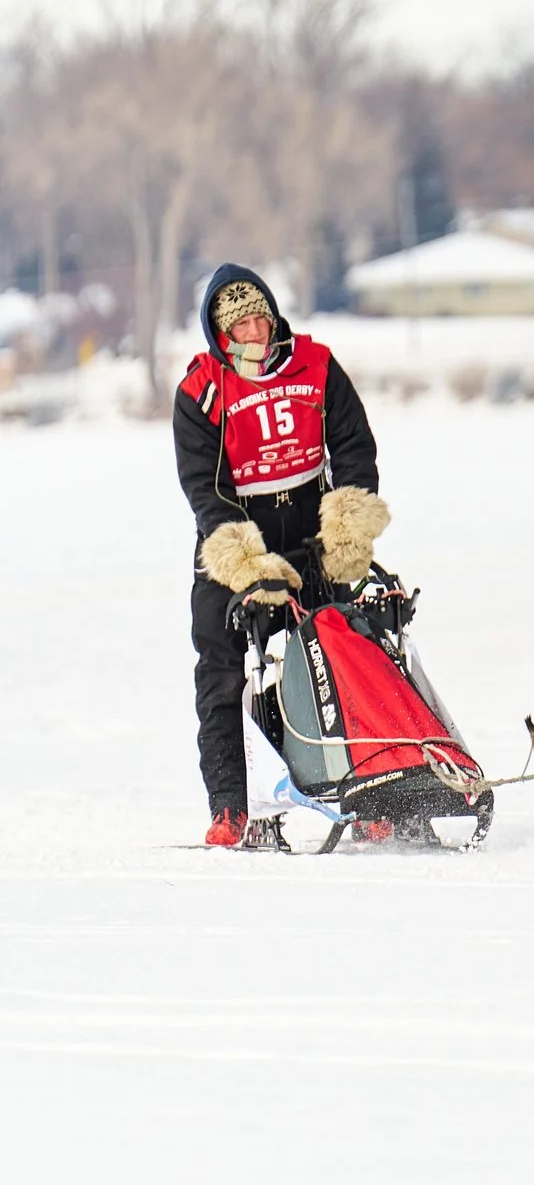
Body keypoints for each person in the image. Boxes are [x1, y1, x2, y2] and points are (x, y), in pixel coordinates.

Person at [175, 265, 390, 847]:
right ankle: (231, 805)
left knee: (341, 650)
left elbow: (352, 444)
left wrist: (347, 525)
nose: (254, 331)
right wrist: (248, 565)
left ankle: (367, 791)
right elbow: (205, 487)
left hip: (310, 533)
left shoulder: (317, 367)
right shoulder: (202, 391)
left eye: (260, 318)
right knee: (222, 668)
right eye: (240, 324)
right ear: (222, 335)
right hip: (236, 541)